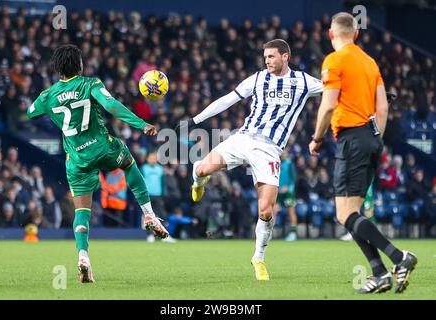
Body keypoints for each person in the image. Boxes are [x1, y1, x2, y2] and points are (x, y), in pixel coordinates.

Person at [177, 39, 323, 280]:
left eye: (272, 56)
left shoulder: (304, 81)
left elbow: (336, 89)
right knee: (203, 169)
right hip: (244, 138)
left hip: (269, 150)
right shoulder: (257, 79)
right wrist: (195, 120)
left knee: (266, 211)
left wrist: (372, 96)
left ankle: (259, 257)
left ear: (285, 56)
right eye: (265, 56)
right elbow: (227, 100)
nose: (267, 60)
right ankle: (198, 180)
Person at [27, 44, 169, 283]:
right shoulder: (90, 84)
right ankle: (148, 215)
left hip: (76, 158)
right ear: (80, 66)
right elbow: (111, 105)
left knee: (82, 211)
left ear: (57, 69)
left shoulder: (47, 95)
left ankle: (83, 256)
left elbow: (31, 112)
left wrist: (50, 104)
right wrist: (140, 124)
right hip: (102, 147)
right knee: (129, 164)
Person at [309, 12, 417, 294]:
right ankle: (379, 274)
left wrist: (317, 138)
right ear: (356, 34)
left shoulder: (334, 60)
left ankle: (398, 258)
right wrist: (376, 138)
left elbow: (329, 105)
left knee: (344, 214)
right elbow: (382, 108)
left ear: (332, 34)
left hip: (351, 138)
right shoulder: (370, 62)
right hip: (372, 139)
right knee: (352, 212)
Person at [277, 149, 298, 241]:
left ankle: (293, 233)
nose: (283, 155)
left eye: (285, 153)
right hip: (277, 192)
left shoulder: (289, 164)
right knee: (272, 211)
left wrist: (288, 188)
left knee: (291, 212)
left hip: (288, 193)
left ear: (287, 154)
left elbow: (293, 179)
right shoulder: (276, 163)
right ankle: (268, 233)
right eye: (282, 153)